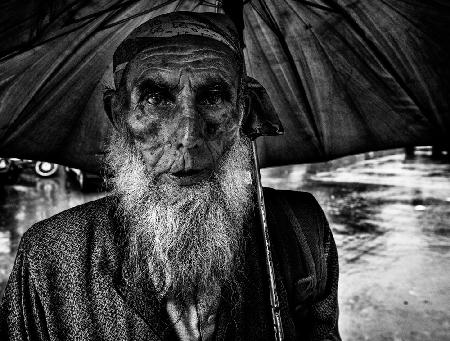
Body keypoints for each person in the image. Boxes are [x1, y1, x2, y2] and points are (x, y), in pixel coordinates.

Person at [0, 12, 340, 341]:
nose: (189, 137)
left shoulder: (301, 228)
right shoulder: (49, 257)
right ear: (117, 114)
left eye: (213, 97)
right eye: (156, 98)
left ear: (242, 112)